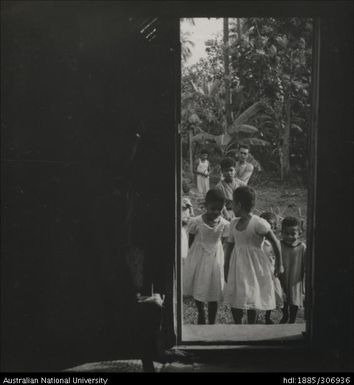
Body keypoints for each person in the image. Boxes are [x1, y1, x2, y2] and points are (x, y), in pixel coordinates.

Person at [223, 186, 283, 324]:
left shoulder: (258, 223)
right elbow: (230, 246)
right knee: (236, 293)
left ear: (238, 205)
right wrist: (226, 266)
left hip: (255, 266)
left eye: (232, 203)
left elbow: (275, 242)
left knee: (252, 294)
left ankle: (251, 325)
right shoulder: (233, 223)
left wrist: (280, 264)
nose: (230, 206)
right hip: (237, 265)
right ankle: (238, 323)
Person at [183, 189, 230, 325]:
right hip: (198, 256)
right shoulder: (196, 221)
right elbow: (191, 239)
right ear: (206, 205)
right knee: (199, 285)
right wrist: (193, 256)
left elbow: (225, 242)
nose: (216, 212)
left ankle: (212, 321)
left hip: (215, 257)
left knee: (214, 288)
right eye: (212, 208)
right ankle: (201, 313)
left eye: (219, 209)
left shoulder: (225, 224)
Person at [279, 216, 306, 324]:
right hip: (283, 277)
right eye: (286, 233)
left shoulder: (302, 247)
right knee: (283, 298)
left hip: (295, 278)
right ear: (282, 232)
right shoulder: (279, 245)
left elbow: (305, 265)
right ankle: (285, 314)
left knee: (294, 299)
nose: (290, 236)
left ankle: (292, 320)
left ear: (299, 233)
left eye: (293, 233)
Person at [260, 211, 285, 324]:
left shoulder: (274, 243)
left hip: (271, 272)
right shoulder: (257, 241)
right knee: (261, 294)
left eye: (270, 225)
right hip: (259, 271)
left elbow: (277, 257)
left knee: (273, 293)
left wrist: (278, 267)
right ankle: (258, 315)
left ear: (274, 228)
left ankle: (268, 315)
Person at [181, 181, 194, 260]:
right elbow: (189, 207)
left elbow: (190, 207)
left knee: (183, 235)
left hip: (184, 218)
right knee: (183, 235)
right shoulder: (184, 199)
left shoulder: (185, 199)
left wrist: (191, 212)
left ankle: (183, 253)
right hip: (183, 218)